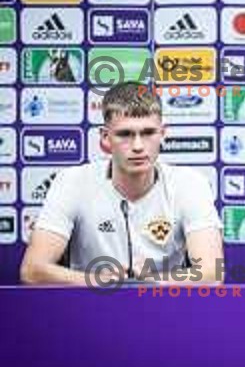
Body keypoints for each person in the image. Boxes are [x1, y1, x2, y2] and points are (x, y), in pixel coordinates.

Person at [21, 83, 224, 286]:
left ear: (162, 134)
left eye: (148, 133)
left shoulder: (189, 183)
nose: (137, 146)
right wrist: (101, 282)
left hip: (166, 309)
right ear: (105, 137)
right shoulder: (72, 182)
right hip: (88, 309)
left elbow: (212, 273)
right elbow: (32, 270)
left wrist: (152, 280)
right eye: (125, 134)